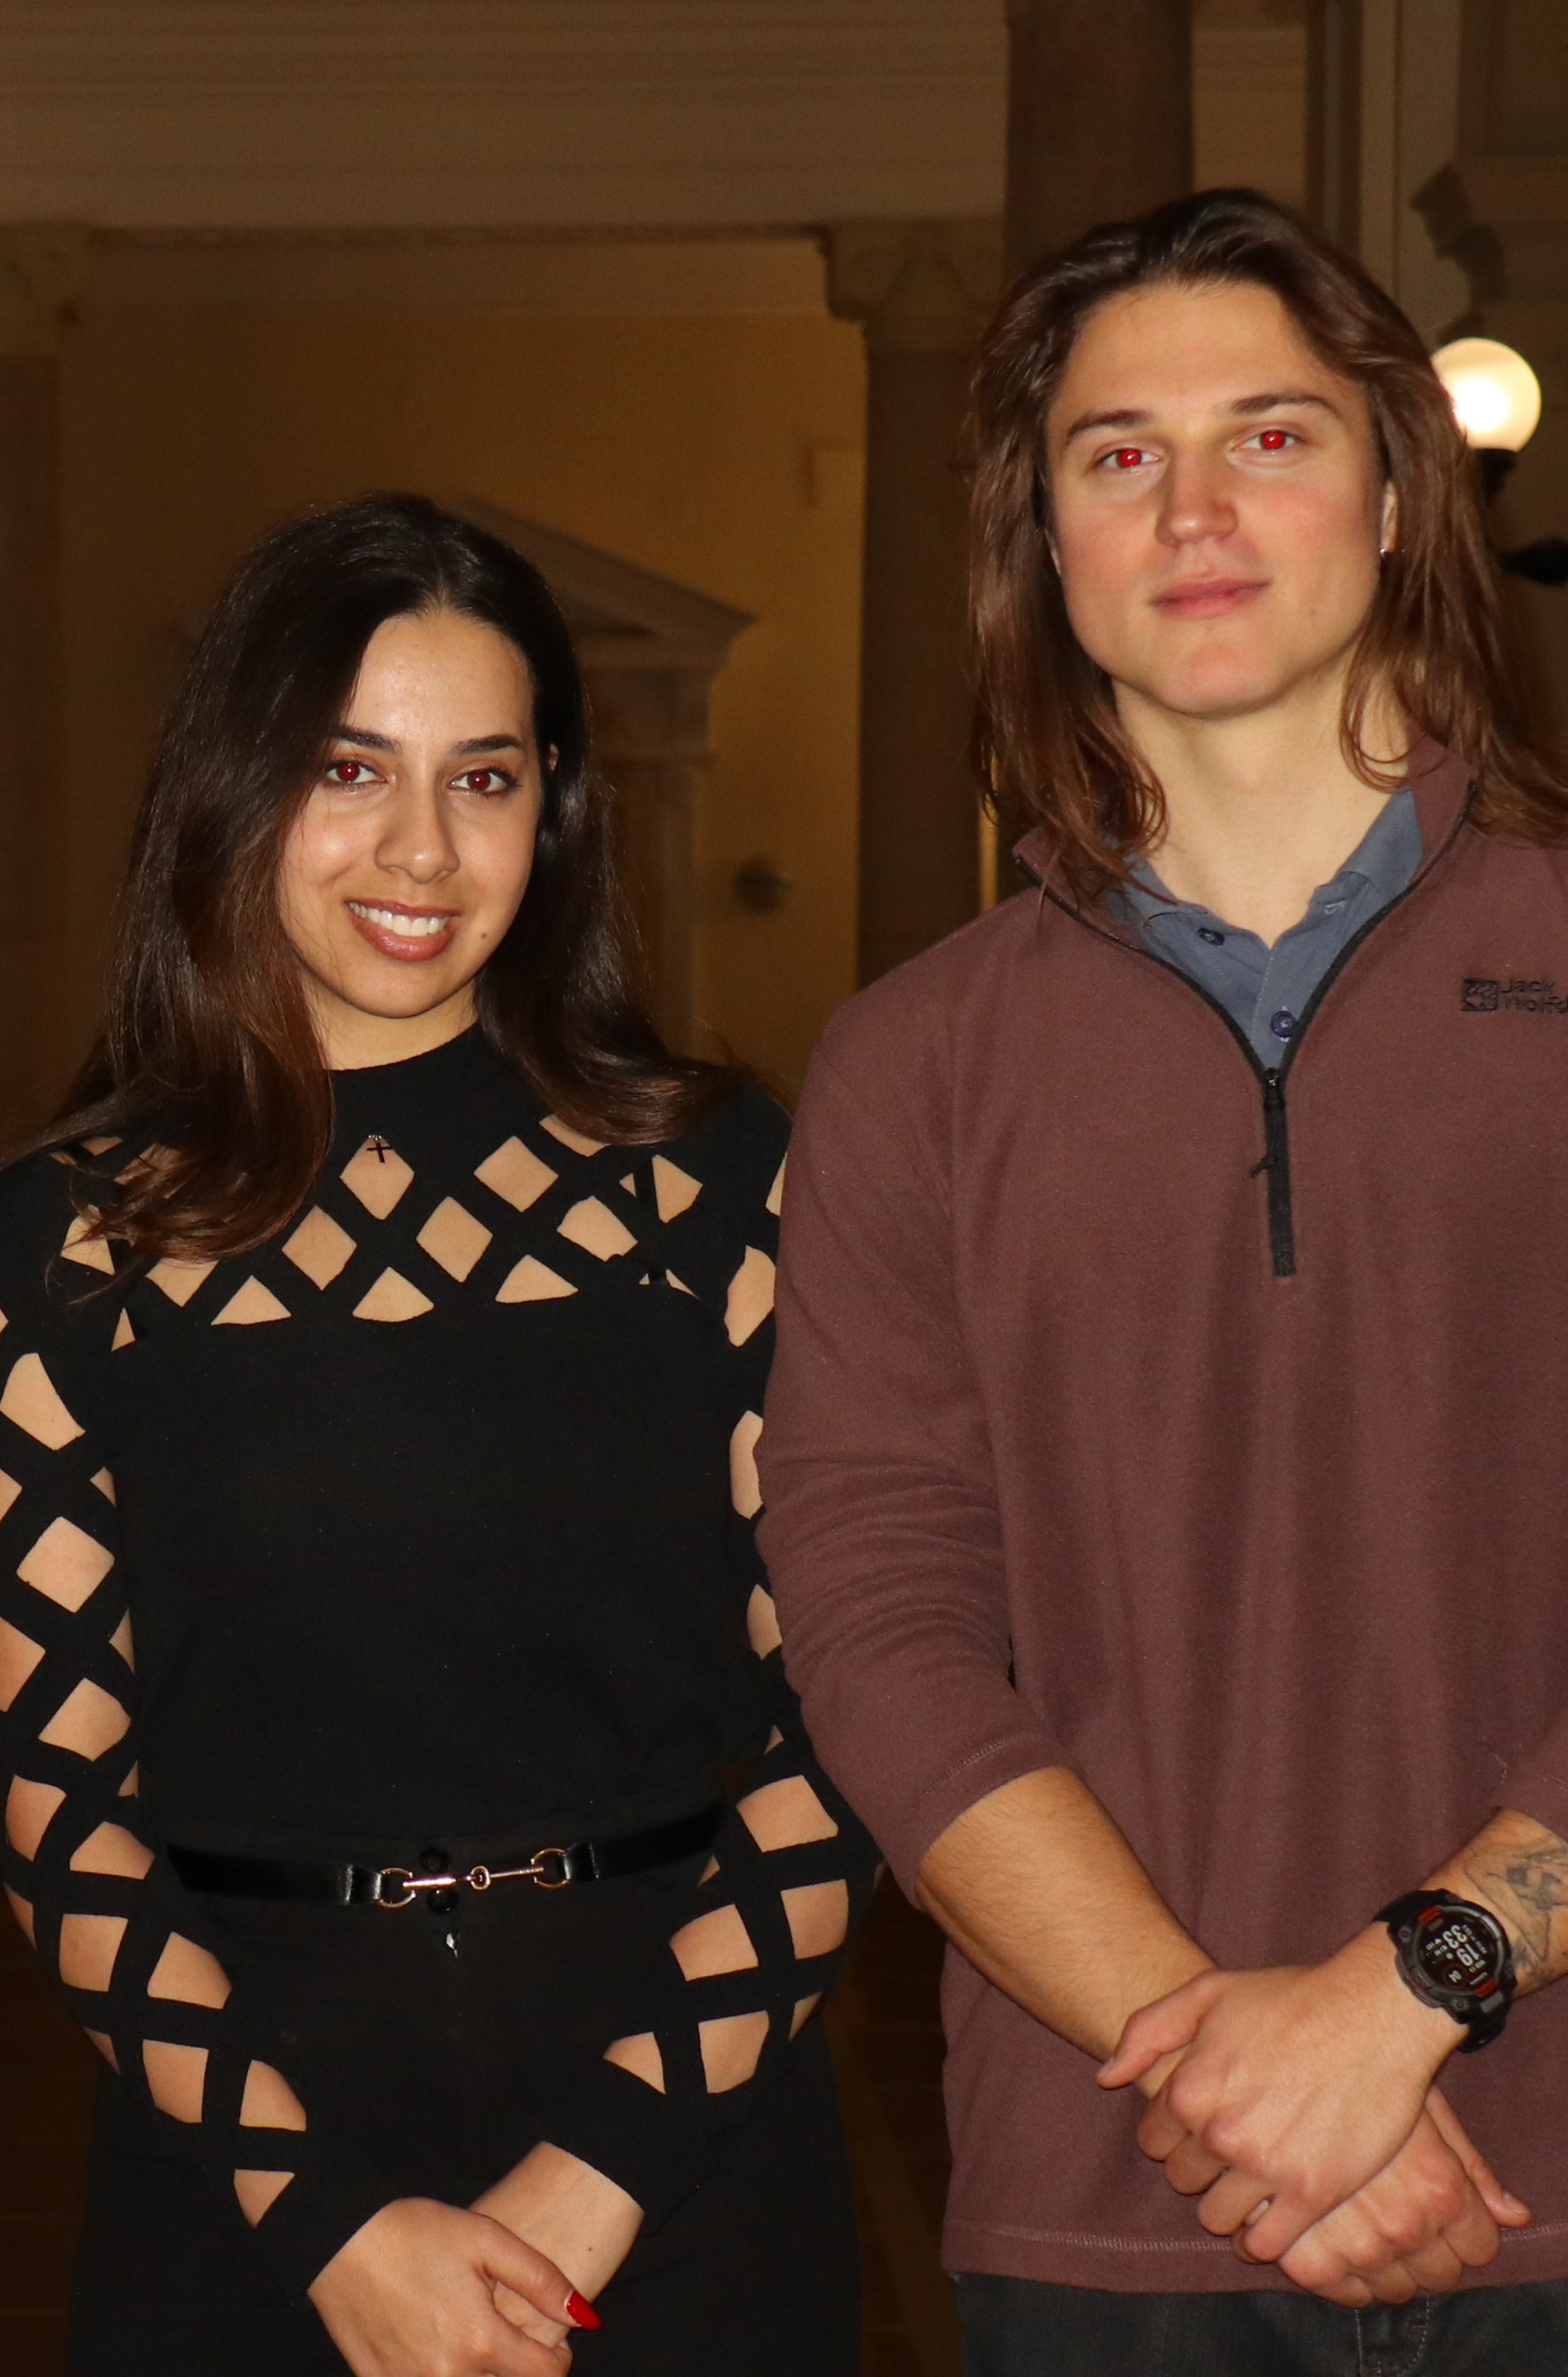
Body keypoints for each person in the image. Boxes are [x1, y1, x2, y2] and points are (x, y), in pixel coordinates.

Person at [0, 494, 883, 2377]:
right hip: (245, 2171)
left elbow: (852, 1723)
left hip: (686, 2147)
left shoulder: (716, 1184)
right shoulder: (64, 1246)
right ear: (234, 791)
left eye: (487, 778)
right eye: (349, 769)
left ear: (558, 808)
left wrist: (593, 2185)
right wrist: (329, 2225)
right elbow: (60, 1811)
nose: (423, 849)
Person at [761, 188, 1568, 2373]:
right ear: (1046, 542)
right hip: (1112, 2195)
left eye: (1269, 437)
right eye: (1119, 456)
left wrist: (1412, 1994)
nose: (1193, 510)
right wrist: (1241, 2075)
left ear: (1397, 492)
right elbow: (879, 1616)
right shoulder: (915, 1062)